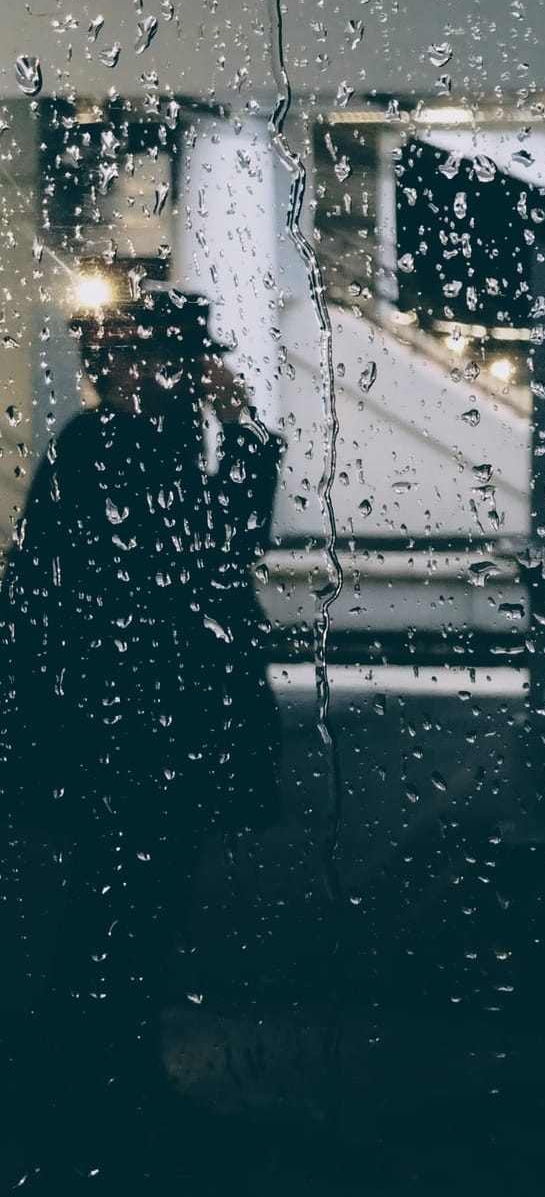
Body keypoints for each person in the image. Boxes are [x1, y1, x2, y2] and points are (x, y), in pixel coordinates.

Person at [0, 284, 283, 1172]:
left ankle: (99, 1081)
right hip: (132, 725)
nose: (165, 374)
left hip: (141, 720)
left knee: (131, 906)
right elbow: (211, 561)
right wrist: (241, 440)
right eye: (148, 356)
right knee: (124, 906)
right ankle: (94, 1089)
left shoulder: (141, 442)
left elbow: (219, 552)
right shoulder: (108, 446)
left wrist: (241, 440)